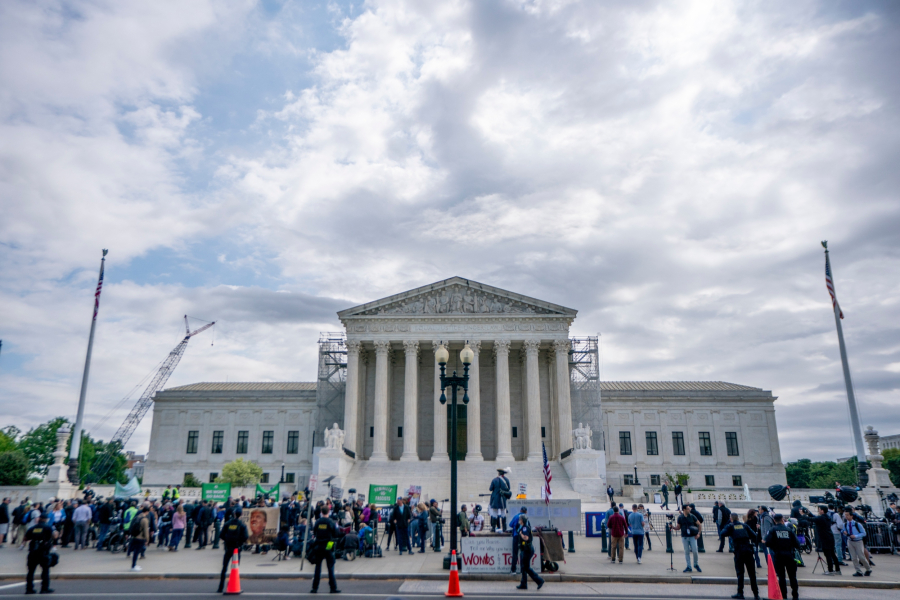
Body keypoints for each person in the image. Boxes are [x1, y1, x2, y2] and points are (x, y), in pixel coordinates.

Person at [720, 513, 760, 600]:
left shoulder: (731, 526)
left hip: (739, 551)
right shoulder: (744, 526)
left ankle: (740, 593)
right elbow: (754, 535)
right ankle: (756, 594)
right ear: (738, 518)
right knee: (752, 574)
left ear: (731, 519)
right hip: (748, 550)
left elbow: (722, 533)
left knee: (740, 573)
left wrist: (729, 527)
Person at [764, 514, 800, 600]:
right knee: (792, 576)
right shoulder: (789, 530)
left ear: (774, 520)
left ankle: (784, 595)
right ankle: (795, 595)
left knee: (781, 577)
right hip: (789, 555)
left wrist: (775, 546)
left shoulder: (773, 530)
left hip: (778, 555)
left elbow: (767, 542)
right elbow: (797, 544)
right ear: (782, 519)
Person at [217, 507, 249, 593]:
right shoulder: (242, 524)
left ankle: (220, 587)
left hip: (228, 547)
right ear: (241, 514)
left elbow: (221, 535)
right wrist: (240, 542)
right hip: (237, 548)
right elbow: (246, 536)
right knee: (234, 569)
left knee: (224, 568)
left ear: (234, 514)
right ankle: (230, 585)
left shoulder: (228, 523)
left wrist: (227, 540)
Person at [310, 505, 341, 594]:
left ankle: (315, 588)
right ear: (328, 511)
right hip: (328, 544)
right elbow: (336, 534)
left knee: (318, 567)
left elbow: (314, 532)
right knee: (330, 567)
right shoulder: (331, 522)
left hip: (319, 544)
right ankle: (333, 587)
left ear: (321, 512)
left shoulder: (318, 522)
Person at [24, 513, 58, 595]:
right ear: (46, 519)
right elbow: (54, 536)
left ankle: (29, 589)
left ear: (39, 519)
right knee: (45, 570)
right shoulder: (48, 527)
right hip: (43, 551)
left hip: (33, 551)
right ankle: (44, 588)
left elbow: (25, 538)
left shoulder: (33, 528)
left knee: (31, 571)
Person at [514, 516, 544, 591]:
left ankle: (539, 580)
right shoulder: (524, 527)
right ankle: (523, 584)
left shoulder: (524, 528)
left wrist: (520, 533)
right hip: (525, 549)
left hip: (527, 549)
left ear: (522, 521)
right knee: (523, 567)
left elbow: (526, 538)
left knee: (526, 567)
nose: (519, 521)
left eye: (519, 520)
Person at [842, 507, 871, 577]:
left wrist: (856, 536)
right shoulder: (845, 524)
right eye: (845, 515)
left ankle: (868, 568)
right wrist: (844, 533)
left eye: (847, 515)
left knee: (861, 557)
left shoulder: (857, 524)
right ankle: (858, 571)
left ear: (851, 516)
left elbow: (864, 533)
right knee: (853, 557)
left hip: (858, 541)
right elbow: (843, 531)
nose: (846, 516)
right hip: (850, 541)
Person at [673, 504, 702, 573]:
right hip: (685, 536)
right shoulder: (680, 517)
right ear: (684, 510)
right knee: (687, 552)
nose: (690, 510)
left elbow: (699, 524)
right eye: (688, 509)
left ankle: (696, 564)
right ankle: (689, 566)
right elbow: (678, 527)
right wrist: (672, 527)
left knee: (695, 550)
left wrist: (698, 534)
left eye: (689, 508)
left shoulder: (692, 516)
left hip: (692, 536)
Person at [811, 505, 839, 575]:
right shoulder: (827, 517)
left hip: (825, 538)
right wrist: (809, 513)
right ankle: (837, 569)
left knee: (828, 555)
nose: (818, 511)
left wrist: (803, 515)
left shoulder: (821, 518)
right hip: (830, 537)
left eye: (819, 509)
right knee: (832, 554)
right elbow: (815, 518)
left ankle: (830, 570)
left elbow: (812, 519)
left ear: (822, 511)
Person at [128, 506, 151, 572]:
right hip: (140, 537)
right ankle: (133, 566)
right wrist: (147, 540)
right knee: (136, 552)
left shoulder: (137, 517)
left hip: (134, 536)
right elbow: (146, 531)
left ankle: (134, 565)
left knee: (135, 552)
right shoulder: (145, 519)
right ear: (147, 512)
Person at [489, 467, 512, 532]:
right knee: (503, 513)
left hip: (495, 499)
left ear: (498, 473)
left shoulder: (494, 480)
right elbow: (508, 488)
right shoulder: (507, 480)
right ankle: (504, 528)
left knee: (494, 513)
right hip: (503, 499)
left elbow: (490, 489)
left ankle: (493, 528)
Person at [509, 507, 527, 573]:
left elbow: (510, 524)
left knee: (515, 553)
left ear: (520, 510)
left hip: (515, 536)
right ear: (526, 512)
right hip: (523, 537)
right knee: (522, 553)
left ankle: (513, 570)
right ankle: (522, 570)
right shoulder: (526, 517)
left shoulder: (516, 516)